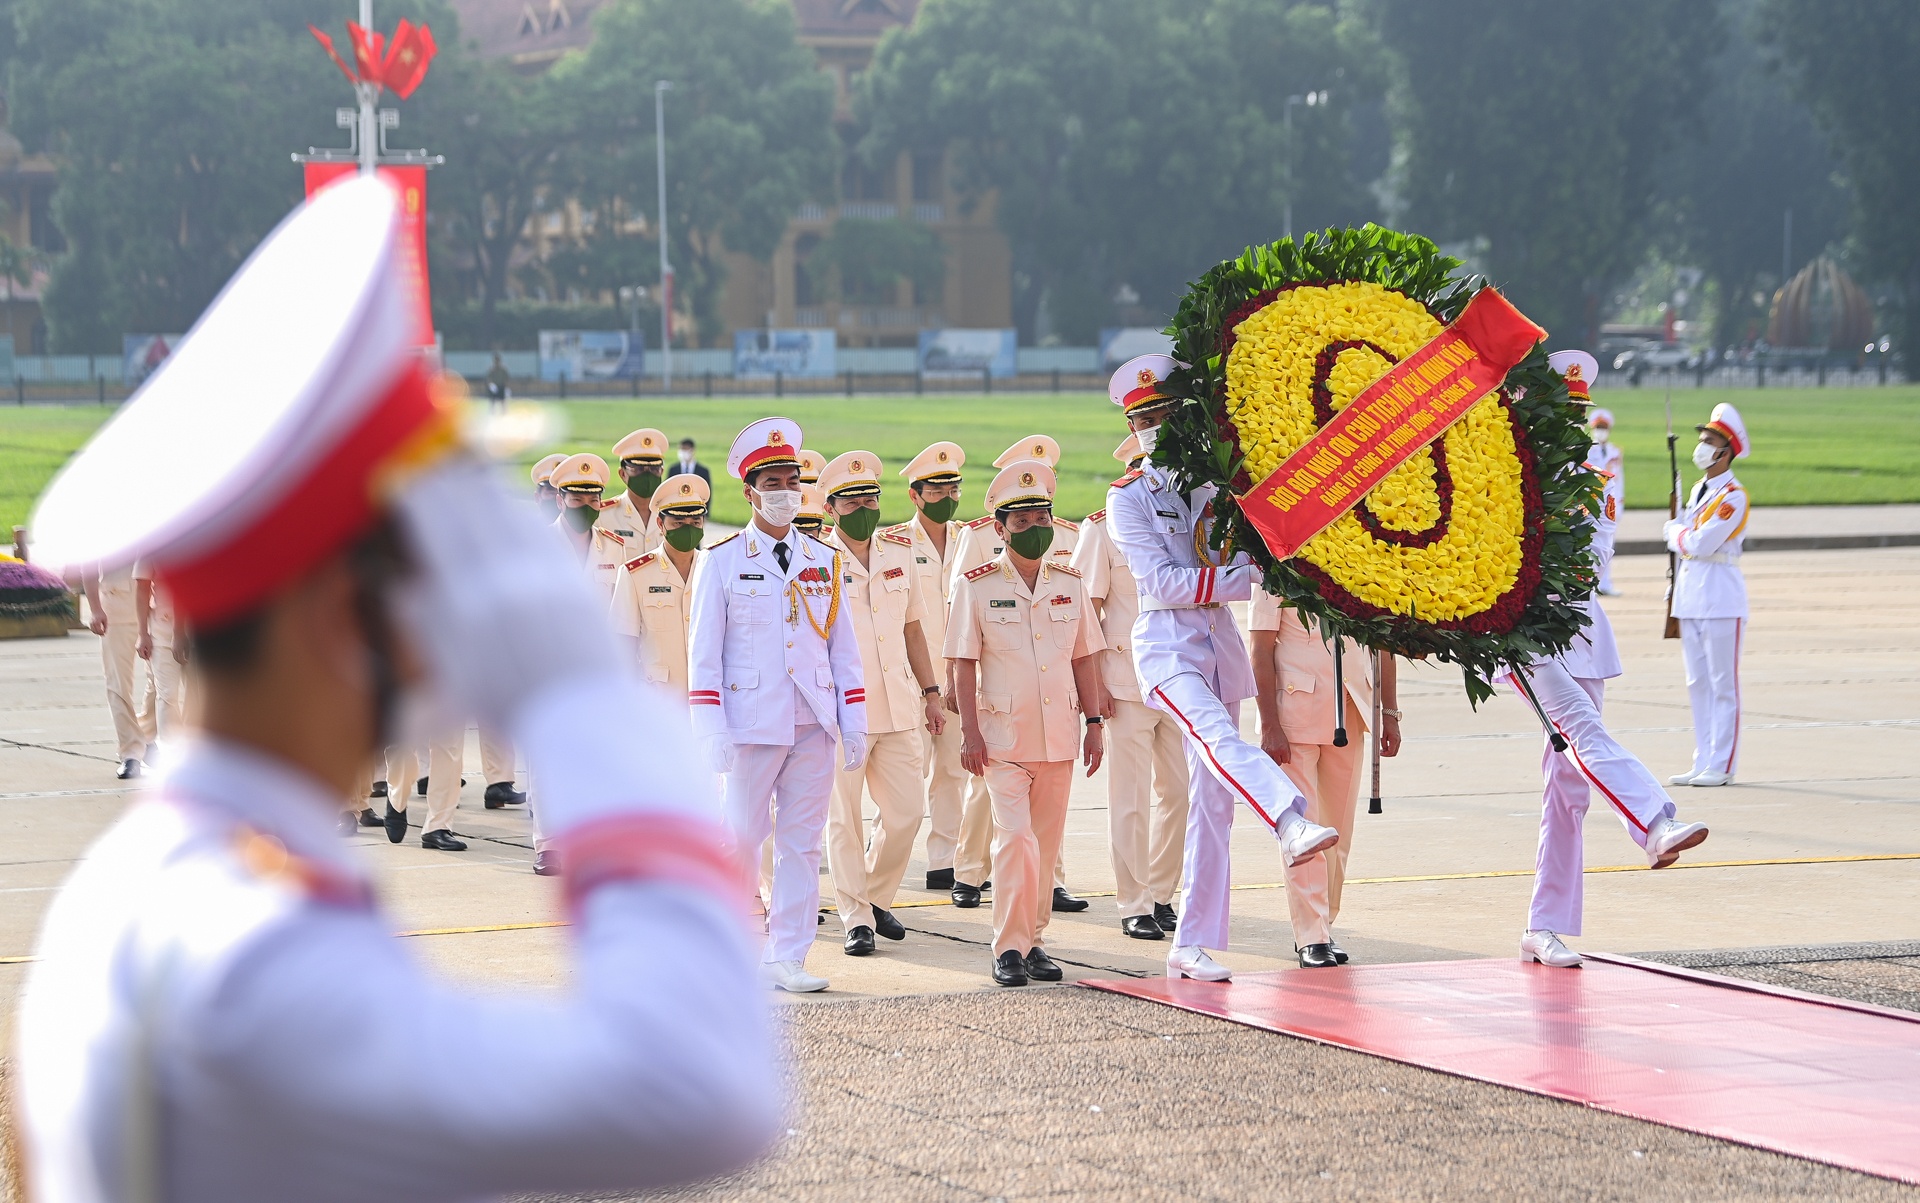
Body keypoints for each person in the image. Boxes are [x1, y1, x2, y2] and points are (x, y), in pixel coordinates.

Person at [17, 175, 777, 1201]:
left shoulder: (163, 884)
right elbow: (701, 1086)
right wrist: (581, 689)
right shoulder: (253, 960)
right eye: (437, 570)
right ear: (344, 614)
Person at [1102, 354, 1338, 983]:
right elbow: (1161, 581)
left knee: (1214, 805)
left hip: (1219, 646)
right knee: (1218, 739)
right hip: (1168, 648)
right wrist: (1247, 576)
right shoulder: (1126, 496)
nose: (1155, 426)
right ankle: (1290, 820)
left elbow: (1252, 550)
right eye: (1142, 417)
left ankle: (1192, 942)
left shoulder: (1217, 486)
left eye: (1163, 413)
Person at [1507, 350, 1712, 968]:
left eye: (1579, 414)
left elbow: (1595, 562)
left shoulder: (1589, 484)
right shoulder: (1511, 475)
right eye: (1561, 413)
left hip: (1584, 630)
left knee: (1567, 788)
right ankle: (1652, 821)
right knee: (1581, 727)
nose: (1572, 425)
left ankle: (1543, 926)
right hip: (1527, 637)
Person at [688, 417, 867, 994]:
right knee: (738, 839)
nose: (786, 490)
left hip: (812, 723)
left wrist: (853, 721)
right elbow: (704, 657)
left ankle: (786, 954)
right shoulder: (721, 561)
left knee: (801, 846)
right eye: (773, 481)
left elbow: (845, 651)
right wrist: (709, 728)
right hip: (749, 725)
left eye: (793, 479)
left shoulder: (824, 558)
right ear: (750, 490)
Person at [946, 460, 1106, 986]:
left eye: (1042, 517)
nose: (1035, 528)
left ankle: (1036, 941)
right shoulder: (977, 586)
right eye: (1022, 521)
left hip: (1058, 735)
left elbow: (1086, 656)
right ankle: (1008, 949)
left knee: (1045, 845)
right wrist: (969, 731)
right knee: (1014, 842)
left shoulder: (1070, 582)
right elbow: (961, 663)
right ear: (1000, 528)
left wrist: (1096, 722)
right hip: (1002, 740)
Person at [818, 451, 946, 956]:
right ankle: (856, 918)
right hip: (841, 711)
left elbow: (913, 627)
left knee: (906, 815)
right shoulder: (815, 561)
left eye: (870, 497)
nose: (865, 507)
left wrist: (932, 691)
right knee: (843, 820)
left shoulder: (898, 553)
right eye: (852, 501)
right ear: (831, 509)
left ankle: (873, 896)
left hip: (898, 704)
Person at [1072, 432, 1190, 941]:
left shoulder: (1187, 522)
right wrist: (1094, 688)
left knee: (1181, 794)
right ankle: (1133, 901)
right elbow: (1085, 613)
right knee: (1130, 798)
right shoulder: (1104, 528)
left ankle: (1163, 892)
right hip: (1126, 682)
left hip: (1182, 674)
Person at [1250, 589, 1399, 967]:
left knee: (1338, 831)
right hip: (1294, 715)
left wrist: (1391, 712)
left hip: (1350, 710)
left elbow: (1384, 641)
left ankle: (1324, 923)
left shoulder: (1358, 558)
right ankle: (1311, 936)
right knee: (1304, 831)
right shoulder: (1274, 569)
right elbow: (1261, 649)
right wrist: (1268, 724)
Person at [886, 441, 968, 891]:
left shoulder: (970, 538)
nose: (948, 498)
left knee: (953, 772)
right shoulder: (894, 543)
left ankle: (944, 861)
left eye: (953, 489)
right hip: (909, 678)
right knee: (905, 774)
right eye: (937, 491)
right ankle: (885, 856)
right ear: (916, 496)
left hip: (956, 676)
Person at [1666, 402, 1750, 789]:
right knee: (1697, 682)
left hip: (1720, 595)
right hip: (1692, 593)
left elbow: (1700, 542)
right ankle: (1702, 759)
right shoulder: (1699, 488)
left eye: (1709, 441)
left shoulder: (1733, 496)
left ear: (1726, 450)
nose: (1701, 447)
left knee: (1722, 682)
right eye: (1701, 440)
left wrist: (1674, 533)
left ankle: (1723, 762)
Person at [609, 472, 709, 695]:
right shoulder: (635, 574)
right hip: (658, 699)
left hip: (708, 698)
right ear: (660, 524)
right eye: (678, 522)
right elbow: (623, 646)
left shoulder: (715, 569)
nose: (688, 528)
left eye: (695, 522)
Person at [79, 562, 155, 780]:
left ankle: (146, 734)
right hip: (115, 608)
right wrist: (95, 609)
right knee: (118, 683)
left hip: (153, 608)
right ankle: (131, 753)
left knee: (161, 682)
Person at [549, 452, 630, 598]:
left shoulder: (613, 547)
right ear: (560, 502)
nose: (586, 508)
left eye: (593, 501)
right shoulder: (540, 543)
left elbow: (620, 606)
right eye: (577, 500)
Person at [598, 428, 669, 551]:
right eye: (639, 469)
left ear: (661, 472)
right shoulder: (603, 516)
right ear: (623, 474)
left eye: (654, 469)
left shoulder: (673, 516)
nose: (647, 476)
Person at [1585, 403, 1623, 594]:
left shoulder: (1615, 451)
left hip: (1610, 501)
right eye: (1598, 428)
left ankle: (1605, 583)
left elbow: (1619, 478)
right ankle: (1593, 583)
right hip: (1591, 500)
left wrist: (1621, 502)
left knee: (1607, 545)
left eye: (1604, 428)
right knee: (1592, 543)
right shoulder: (1587, 449)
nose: (1601, 432)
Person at [530, 452, 566, 517]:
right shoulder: (524, 526)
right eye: (551, 493)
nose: (557, 498)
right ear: (537, 497)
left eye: (562, 494)